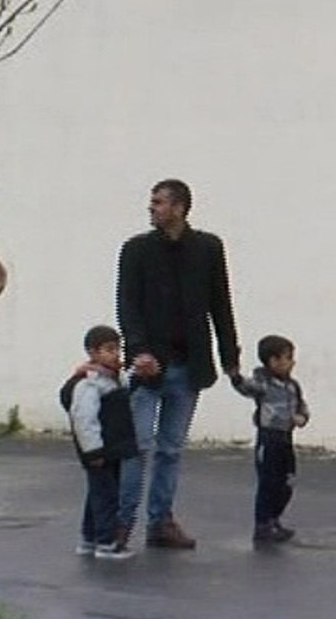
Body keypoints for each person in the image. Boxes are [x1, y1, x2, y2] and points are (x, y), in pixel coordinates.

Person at [116, 178, 241, 552]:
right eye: (152, 201)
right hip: (148, 367)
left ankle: (161, 521)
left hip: (189, 365)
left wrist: (230, 359)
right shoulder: (136, 250)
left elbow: (220, 304)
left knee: (170, 449)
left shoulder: (207, 248)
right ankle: (121, 523)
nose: (151, 207)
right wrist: (138, 351)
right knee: (137, 446)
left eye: (159, 202)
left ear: (180, 207)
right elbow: (127, 305)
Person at [66, 325, 138, 560]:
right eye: (108, 349)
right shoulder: (89, 383)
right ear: (92, 352)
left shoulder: (115, 378)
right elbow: (84, 419)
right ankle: (106, 542)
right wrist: (93, 451)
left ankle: (89, 538)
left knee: (98, 494)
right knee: (106, 496)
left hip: (113, 449)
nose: (115, 354)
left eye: (117, 349)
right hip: (99, 451)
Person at [229, 334, 310, 543]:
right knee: (268, 483)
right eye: (288, 358)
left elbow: (302, 406)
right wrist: (234, 374)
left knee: (287, 482)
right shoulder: (263, 384)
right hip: (269, 439)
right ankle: (263, 524)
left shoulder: (292, 386)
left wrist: (302, 417)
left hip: (286, 439)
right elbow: (245, 387)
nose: (292, 362)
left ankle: (274, 518)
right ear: (273, 361)